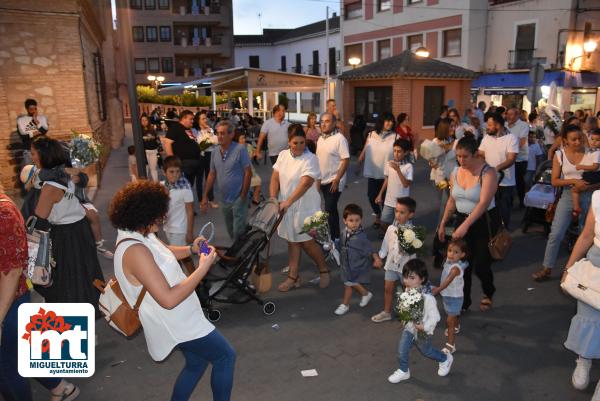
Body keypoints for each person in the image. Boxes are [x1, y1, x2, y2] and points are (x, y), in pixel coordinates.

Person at [108, 181, 235, 401]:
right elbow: (167, 299)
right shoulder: (135, 250)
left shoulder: (139, 233)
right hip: (175, 320)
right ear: (144, 215)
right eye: (160, 216)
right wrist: (202, 268)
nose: (164, 219)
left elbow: (163, 252)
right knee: (225, 356)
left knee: (197, 363)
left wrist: (191, 249)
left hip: (178, 316)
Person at [0, 188, 82, 401]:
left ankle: (61, 387)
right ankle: (61, 387)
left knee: (6, 367)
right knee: (18, 355)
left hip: (7, 302)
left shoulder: (3, 212)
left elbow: (12, 272)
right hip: (10, 302)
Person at [29, 136, 104, 310]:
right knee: (85, 277)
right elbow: (81, 179)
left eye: (33, 154)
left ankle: (74, 325)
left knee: (67, 283)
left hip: (64, 236)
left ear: (43, 155)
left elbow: (40, 219)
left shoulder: (51, 185)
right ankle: (89, 319)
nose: (31, 157)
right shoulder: (68, 174)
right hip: (81, 230)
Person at [438, 136, 500, 312]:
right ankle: (463, 303)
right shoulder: (456, 172)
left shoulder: (488, 172)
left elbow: (483, 203)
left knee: (481, 264)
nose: (461, 160)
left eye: (465, 156)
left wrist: (465, 226)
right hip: (461, 218)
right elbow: (451, 200)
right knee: (463, 263)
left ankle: (489, 291)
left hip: (484, 221)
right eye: (458, 156)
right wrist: (443, 223)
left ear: (475, 154)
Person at [533, 125, 599, 281]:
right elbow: (555, 181)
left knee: (587, 235)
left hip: (591, 195)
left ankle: (583, 272)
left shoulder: (594, 153)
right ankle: (547, 268)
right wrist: (574, 181)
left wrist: (588, 186)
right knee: (556, 233)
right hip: (568, 195)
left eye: (580, 138)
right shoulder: (559, 155)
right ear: (565, 141)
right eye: (573, 139)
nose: (578, 142)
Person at [269, 123, 331, 292]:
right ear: (289, 142)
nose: (299, 146)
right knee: (292, 240)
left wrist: (287, 202)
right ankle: (293, 276)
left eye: (302, 142)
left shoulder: (311, 159)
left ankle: (324, 270)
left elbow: (306, 184)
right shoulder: (282, 155)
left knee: (308, 243)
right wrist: (274, 199)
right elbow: (275, 178)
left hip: (306, 207)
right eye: (295, 143)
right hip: (286, 206)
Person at [387, 259, 453, 384]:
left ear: (422, 279)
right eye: (405, 277)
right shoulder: (407, 291)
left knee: (426, 350)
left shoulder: (428, 298)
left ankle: (445, 358)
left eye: (412, 278)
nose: (407, 281)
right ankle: (403, 370)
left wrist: (425, 326)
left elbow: (436, 317)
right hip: (409, 329)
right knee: (402, 349)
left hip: (423, 331)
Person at [562, 190, 600, 398]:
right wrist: (568, 268)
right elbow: (586, 235)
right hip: (596, 267)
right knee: (589, 320)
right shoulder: (598, 197)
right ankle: (584, 358)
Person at [201, 121, 251, 241]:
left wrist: (243, 195)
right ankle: (242, 251)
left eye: (223, 133)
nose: (219, 136)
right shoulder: (214, 152)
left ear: (231, 134)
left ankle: (240, 256)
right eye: (218, 133)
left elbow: (248, 172)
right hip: (224, 200)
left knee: (238, 230)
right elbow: (211, 174)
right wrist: (205, 196)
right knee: (231, 231)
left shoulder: (240, 149)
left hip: (239, 198)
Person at [371, 197, 417, 323]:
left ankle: (409, 313)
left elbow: (412, 250)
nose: (398, 215)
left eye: (402, 212)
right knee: (388, 288)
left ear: (411, 214)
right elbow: (385, 244)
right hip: (391, 264)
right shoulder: (391, 228)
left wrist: (406, 246)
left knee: (408, 291)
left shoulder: (412, 232)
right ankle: (386, 312)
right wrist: (380, 257)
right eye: (396, 211)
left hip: (406, 267)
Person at [334, 204, 380, 316]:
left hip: (356, 265)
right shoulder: (343, 232)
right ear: (345, 221)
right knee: (349, 283)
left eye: (357, 220)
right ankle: (365, 294)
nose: (354, 223)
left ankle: (345, 304)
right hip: (346, 264)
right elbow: (341, 244)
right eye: (351, 220)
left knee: (348, 283)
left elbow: (370, 248)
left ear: (361, 220)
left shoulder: (361, 237)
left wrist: (376, 258)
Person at [478, 113, 518, 229]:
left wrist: (496, 169)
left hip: (505, 182)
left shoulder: (511, 138)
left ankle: (503, 232)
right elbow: (480, 154)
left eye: (490, 125)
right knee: (488, 206)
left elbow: (511, 159)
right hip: (488, 180)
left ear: (498, 125)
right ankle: (491, 230)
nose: (487, 127)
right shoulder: (486, 138)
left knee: (504, 208)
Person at [358, 113, 396, 228]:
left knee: (385, 200)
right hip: (373, 171)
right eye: (387, 120)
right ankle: (378, 215)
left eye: (391, 121)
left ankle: (385, 226)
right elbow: (365, 149)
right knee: (371, 196)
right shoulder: (371, 134)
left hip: (387, 174)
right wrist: (359, 161)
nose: (389, 123)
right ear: (381, 122)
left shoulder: (395, 136)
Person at [316, 112, 350, 241]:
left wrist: (337, 180)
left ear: (334, 123)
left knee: (329, 208)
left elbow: (345, 160)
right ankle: (333, 235)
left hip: (334, 180)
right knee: (330, 209)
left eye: (327, 121)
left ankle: (335, 238)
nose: (323, 124)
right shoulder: (320, 139)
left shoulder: (340, 139)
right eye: (322, 121)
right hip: (321, 180)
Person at [431, 238, 469, 355]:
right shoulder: (448, 261)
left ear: (462, 254)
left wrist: (437, 289)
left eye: (456, 252)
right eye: (450, 250)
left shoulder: (455, 269)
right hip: (447, 295)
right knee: (451, 315)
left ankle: (450, 345)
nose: (451, 254)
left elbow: (448, 281)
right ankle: (456, 325)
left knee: (449, 321)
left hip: (455, 298)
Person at [162, 110, 203, 206]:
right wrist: (172, 161)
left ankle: (186, 206)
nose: (192, 121)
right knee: (182, 186)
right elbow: (167, 143)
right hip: (183, 163)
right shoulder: (175, 128)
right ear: (183, 118)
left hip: (193, 163)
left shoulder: (188, 129)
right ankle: (182, 207)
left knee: (188, 186)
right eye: (190, 119)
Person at [375, 139, 413, 227]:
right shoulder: (389, 163)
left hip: (401, 202)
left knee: (400, 225)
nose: (396, 153)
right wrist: (380, 194)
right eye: (394, 151)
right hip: (389, 200)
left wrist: (398, 170)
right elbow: (387, 180)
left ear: (406, 152)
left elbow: (406, 184)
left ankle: (398, 238)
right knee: (384, 221)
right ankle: (389, 234)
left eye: (399, 151)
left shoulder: (408, 166)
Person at [193, 111, 219, 209]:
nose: (205, 120)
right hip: (200, 155)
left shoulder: (210, 129)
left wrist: (210, 139)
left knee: (210, 177)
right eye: (203, 118)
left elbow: (216, 142)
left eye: (205, 118)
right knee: (199, 178)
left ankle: (210, 199)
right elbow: (201, 145)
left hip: (210, 154)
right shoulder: (195, 131)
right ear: (198, 120)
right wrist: (210, 140)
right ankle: (201, 200)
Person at [506, 108, 530, 208]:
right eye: (507, 114)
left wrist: (512, 151)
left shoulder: (523, 125)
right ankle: (509, 202)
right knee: (509, 180)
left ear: (517, 115)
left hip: (520, 158)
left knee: (519, 180)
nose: (508, 116)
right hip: (507, 158)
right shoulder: (505, 125)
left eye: (511, 114)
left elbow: (522, 141)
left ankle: (521, 201)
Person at [235, 132, 262, 205]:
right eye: (241, 138)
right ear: (237, 140)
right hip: (240, 173)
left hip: (251, 171)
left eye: (244, 138)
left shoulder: (249, 146)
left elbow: (256, 152)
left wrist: (257, 154)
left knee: (259, 182)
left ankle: (255, 198)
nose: (244, 140)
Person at [141, 114, 160, 182]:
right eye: (142, 120)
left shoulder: (152, 129)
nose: (144, 122)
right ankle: (146, 186)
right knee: (145, 170)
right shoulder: (139, 130)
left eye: (146, 120)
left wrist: (160, 148)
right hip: (144, 152)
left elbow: (157, 139)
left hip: (153, 151)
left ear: (148, 121)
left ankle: (156, 185)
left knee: (153, 169)